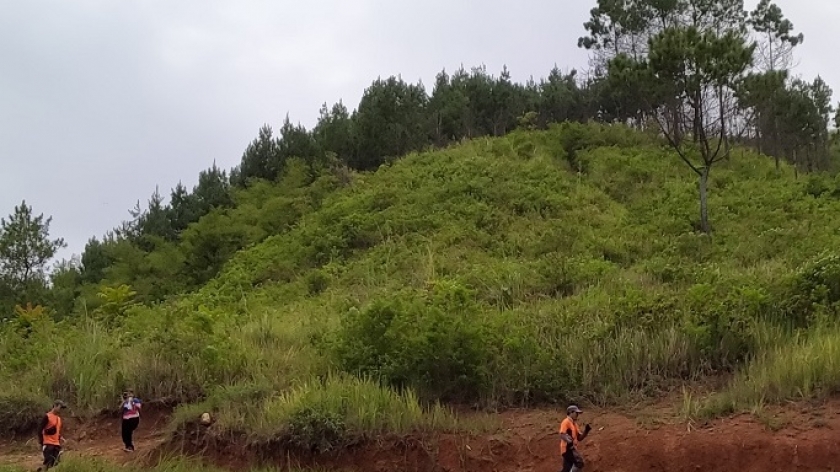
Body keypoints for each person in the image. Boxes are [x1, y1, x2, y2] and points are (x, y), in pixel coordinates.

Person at [559, 404, 592, 472]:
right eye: (576, 413)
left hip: (571, 448)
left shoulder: (574, 424)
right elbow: (562, 434)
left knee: (566, 469)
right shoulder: (566, 422)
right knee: (579, 463)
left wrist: (586, 431)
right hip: (567, 448)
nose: (577, 414)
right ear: (571, 412)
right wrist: (568, 441)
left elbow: (579, 438)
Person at [36, 400, 66, 472]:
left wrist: (60, 437)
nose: (61, 410)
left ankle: (41, 470)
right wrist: (41, 442)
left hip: (56, 444)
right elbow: (40, 430)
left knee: (55, 463)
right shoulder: (47, 416)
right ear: (55, 406)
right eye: (60, 407)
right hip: (48, 443)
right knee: (48, 462)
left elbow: (56, 431)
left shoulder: (59, 419)